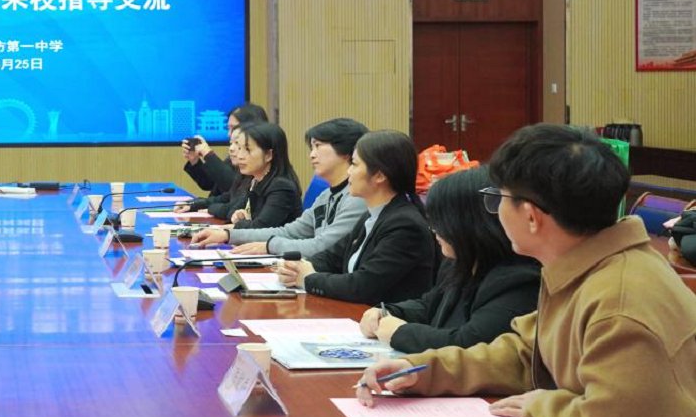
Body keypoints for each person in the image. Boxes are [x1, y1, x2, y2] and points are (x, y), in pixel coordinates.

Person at [358, 124, 696, 417]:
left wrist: (542, 407)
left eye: (498, 198)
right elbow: (525, 353)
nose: (495, 210)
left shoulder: (620, 300)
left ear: (532, 217)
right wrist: (421, 371)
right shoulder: (583, 266)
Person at [358, 166, 540, 352]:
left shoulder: (519, 281)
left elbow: (469, 344)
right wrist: (387, 312)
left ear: (469, 223)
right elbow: (429, 306)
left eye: (440, 221)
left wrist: (399, 333)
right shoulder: (459, 263)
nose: (433, 229)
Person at [276, 130, 438, 304]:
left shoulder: (405, 225)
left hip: (384, 318)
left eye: (354, 164)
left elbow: (362, 285)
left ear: (379, 175)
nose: (349, 172)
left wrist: (308, 279)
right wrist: (296, 268)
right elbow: (332, 257)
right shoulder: (371, 215)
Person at [191, 117, 369, 258]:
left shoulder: (357, 198)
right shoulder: (326, 195)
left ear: (346, 152)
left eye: (318, 146)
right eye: (311, 147)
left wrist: (269, 246)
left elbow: (323, 246)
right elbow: (292, 231)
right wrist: (228, 235)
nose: (312, 155)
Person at [182, 102, 267, 196]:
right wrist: (195, 160)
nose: (229, 134)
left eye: (233, 128)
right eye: (228, 128)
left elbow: (233, 188)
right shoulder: (234, 154)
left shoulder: (257, 160)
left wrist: (208, 154)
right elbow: (210, 183)